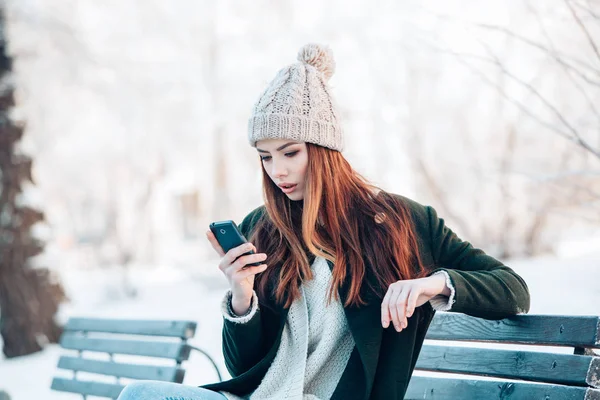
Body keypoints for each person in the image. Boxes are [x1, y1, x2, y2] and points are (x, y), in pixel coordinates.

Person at [117, 43, 530, 400]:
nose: (277, 170)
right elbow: (245, 368)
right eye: (265, 156)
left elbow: (513, 289)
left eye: (290, 152)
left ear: (324, 147)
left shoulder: (403, 222)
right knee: (138, 394)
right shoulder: (263, 227)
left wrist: (432, 284)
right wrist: (242, 299)